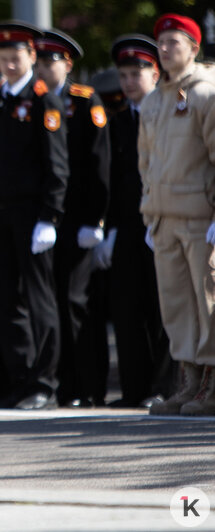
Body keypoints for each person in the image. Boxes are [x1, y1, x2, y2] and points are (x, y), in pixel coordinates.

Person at [0, 21, 69, 409]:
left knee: (38, 297)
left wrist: (51, 216)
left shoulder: (44, 100)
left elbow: (57, 164)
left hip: (32, 213)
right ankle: (21, 377)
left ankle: (44, 382)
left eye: (17, 56)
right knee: (4, 297)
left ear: (32, 56)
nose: (9, 63)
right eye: (4, 56)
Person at [138, 14, 215, 416]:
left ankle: (212, 384)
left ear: (194, 48)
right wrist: (149, 207)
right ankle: (189, 381)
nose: (166, 49)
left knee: (208, 302)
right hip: (164, 217)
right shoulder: (154, 98)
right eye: (162, 42)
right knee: (177, 305)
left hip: (201, 217)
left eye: (175, 42)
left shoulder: (207, 93)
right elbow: (145, 160)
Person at [33, 29, 111, 408]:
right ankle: (64, 386)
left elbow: (99, 165)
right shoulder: (36, 101)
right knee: (54, 302)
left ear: (67, 64)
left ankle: (88, 386)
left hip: (80, 218)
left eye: (51, 61)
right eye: (41, 62)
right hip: (51, 220)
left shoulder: (83, 101)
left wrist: (96, 221)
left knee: (76, 302)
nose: (44, 68)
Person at [97, 34, 171, 409]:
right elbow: (111, 179)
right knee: (127, 310)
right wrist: (107, 228)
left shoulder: (167, 113)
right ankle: (132, 388)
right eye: (123, 74)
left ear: (155, 73)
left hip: (161, 220)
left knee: (161, 309)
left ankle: (163, 386)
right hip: (126, 225)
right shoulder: (119, 120)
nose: (128, 82)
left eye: (136, 73)